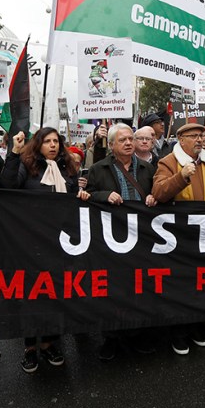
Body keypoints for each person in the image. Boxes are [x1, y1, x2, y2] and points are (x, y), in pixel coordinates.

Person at [1, 127, 89, 373]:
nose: (53, 145)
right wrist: (14, 154)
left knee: (55, 294)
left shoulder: (68, 169)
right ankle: (30, 347)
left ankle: (50, 342)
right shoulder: (27, 166)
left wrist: (80, 194)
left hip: (59, 243)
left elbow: (72, 197)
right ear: (37, 145)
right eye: (47, 141)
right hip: (30, 243)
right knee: (32, 295)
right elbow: (7, 186)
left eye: (56, 141)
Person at [153, 122, 205, 354]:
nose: (200, 140)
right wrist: (180, 177)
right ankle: (179, 333)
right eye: (193, 136)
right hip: (179, 238)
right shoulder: (167, 162)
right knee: (181, 286)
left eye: (202, 135)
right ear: (180, 139)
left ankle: (199, 326)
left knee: (203, 283)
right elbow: (158, 193)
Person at [85, 124, 157, 360]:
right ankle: (112, 338)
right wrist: (103, 196)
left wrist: (153, 197)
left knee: (141, 287)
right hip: (112, 241)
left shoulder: (148, 169)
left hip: (142, 239)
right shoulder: (98, 169)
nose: (128, 143)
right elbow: (85, 198)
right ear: (113, 145)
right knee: (113, 289)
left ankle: (139, 334)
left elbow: (158, 196)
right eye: (123, 140)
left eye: (131, 139)